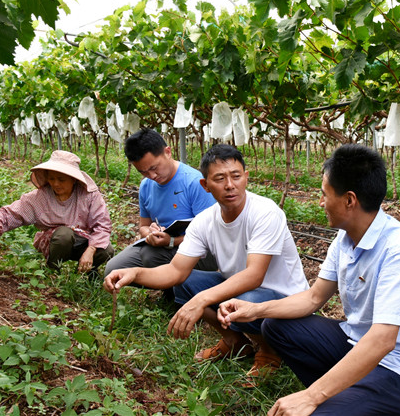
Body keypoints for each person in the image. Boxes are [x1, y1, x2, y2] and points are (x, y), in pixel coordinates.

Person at [218, 144, 400, 415]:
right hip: (356, 342)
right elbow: (314, 297)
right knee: (274, 326)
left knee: (316, 411)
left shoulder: (399, 248)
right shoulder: (345, 238)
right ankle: (343, 396)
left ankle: (384, 406)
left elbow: (383, 340)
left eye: (324, 194)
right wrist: (256, 310)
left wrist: (312, 396)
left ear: (349, 200)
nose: (320, 202)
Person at [104, 144, 309, 382]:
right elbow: (175, 271)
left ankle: (270, 352)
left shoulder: (265, 212)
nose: (230, 185)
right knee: (185, 283)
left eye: (236, 176)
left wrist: (201, 300)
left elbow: (254, 276)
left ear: (246, 178)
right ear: (206, 185)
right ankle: (235, 342)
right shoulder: (204, 221)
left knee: (242, 299)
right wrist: (135, 273)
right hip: (242, 290)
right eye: (220, 179)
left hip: (284, 298)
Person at [104, 128, 218, 286]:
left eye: (153, 168)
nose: (152, 176)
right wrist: (150, 234)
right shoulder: (146, 186)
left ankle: (179, 292)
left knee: (152, 256)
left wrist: (172, 241)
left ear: (168, 152)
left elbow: (211, 235)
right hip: (162, 245)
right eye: (143, 172)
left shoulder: (194, 182)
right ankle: (171, 284)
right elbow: (143, 226)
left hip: (200, 252)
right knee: (114, 270)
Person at [0, 150, 114, 273]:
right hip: (57, 243)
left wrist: (90, 250)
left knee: (106, 250)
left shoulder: (89, 196)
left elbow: (102, 225)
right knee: (64, 235)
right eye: (52, 178)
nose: (56, 184)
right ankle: (53, 271)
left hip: (83, 243)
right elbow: (10, 213)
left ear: (74, 179)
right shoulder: (41, 197)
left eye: (61, 180)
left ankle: (86, 273)